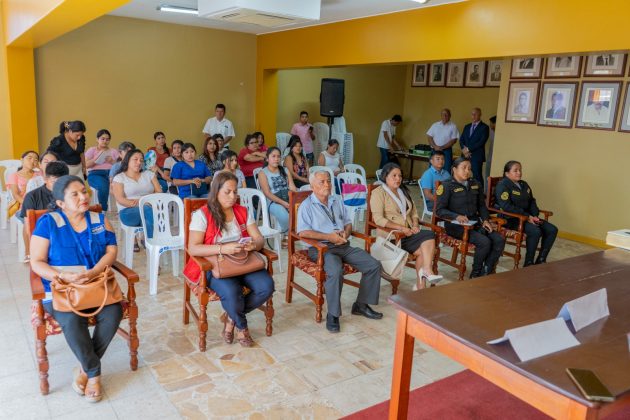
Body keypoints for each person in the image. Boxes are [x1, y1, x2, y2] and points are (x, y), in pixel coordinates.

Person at [29, 175, 121, 403]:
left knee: (113, 313)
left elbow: (111, 251)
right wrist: (62, 276)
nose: (83, 197)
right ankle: (93, 374)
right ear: (61, 203)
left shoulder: (99, 219)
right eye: (75, 194)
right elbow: (37, 262)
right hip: (61, 290)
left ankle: (83, 369)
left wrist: (93, 272)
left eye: (84, 191)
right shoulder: (48, 223)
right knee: (71, 320)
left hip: (96, 286)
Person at [184, 171, 275, 347]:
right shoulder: (202, 215)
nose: (233, 196)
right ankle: (242, 327)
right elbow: (193, 248)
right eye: (227, 192)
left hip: (243, 261)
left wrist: (253, 245)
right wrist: (223, 248)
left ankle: (231, 317)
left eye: (235, 192)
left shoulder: (242, 211)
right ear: (216, 191)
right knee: (233, 293)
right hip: (216, 265)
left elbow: (259, 239)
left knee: (266, 287)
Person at [297, 170, 383, 333]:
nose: (327, 184)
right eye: (322, 182)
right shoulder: (306, 206)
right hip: (321, 248)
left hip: (342, 245)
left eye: (329, 181)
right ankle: (333, 314)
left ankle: (361, 305)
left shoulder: (336, 200)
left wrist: (346, 233)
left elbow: (348, 223)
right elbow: (303, 232)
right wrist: (329, 237)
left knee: (373, 265)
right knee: (336, 271)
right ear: (312, 186)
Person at [371, 163, 442, 290]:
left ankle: (422, 282)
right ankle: (424, 278)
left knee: (425, 246)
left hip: (408, 234)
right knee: (428, 239)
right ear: (385, 176)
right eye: (394, 175)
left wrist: (415, 225)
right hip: (392, 237)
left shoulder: (403, 191)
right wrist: (401, 228)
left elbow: (414, 213)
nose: (398, 178)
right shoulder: (378, 193)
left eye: (400, 176)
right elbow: (378, 219)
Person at [436, 158, 505, 278]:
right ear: (454, 169)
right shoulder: (447, 185)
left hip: (475, 223)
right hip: (456, 226)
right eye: (464, 168)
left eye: (469, 168)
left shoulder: (475, 184)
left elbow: (482, 206)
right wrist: (456, 216)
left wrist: (485, 220)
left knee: (499, 239)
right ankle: (476, 273)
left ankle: (487, 270)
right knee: (484, 242)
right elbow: (439, 210)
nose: (467, 171)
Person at [495, 161, 557, 266]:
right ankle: (528, 263)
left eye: (520, 170)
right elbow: (506, 206)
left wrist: (534, 215)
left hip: (528, 217)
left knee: (552, 229)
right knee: (535, 231)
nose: (519, 173)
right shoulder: (503, 185)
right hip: (510, 219)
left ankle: (541, 259)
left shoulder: (523, 184)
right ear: (507, 173)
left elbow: (531, 200)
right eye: (515, 170)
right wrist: (527, 216)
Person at [112, 149, 161, 249]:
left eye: (141, 160)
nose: (139, 162)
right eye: (135, 159)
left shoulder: (149, 174)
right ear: (127, 160)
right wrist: (143, 202)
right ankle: (152, 244)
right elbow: (120, 199)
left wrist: (146, 203)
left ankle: (147, 241)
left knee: (149, 214)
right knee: (149, 211)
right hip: (128, 212)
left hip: (148, 209)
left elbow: (159, 193)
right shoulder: (119, 178)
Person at [258, 147, 297, 248]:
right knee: (285, 216)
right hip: (273, 201)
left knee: (302, 210)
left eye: (278, 156)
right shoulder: (263, 173)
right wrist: (283, 203)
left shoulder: (285, 170)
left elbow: (292, 187)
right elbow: (267, 193)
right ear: (267, 159)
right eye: (273, 156)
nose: (276, 159)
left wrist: (294, 200)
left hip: (287, 197)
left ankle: (290, 235)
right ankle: (287, 234)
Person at [85, 129, 119, 212]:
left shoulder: (113, 151)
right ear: (97, 139)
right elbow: (85, 165)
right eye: (102, 139)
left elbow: (120, 166)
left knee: (124, 183)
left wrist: (112, 161)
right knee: (103, 186)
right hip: (95, 174)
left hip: (111, 174)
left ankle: (124, 207)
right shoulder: (92, 150)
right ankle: (103, 209)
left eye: (107, 139)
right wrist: (96, 159)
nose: (105, 141)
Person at [459, 108, 490, 186]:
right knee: (463, 175)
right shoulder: (467, 126)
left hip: (476, 156)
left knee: (477, 176)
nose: (473, 116)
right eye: (472, 114)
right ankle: (464, 191)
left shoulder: (484, 127)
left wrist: (468, 149)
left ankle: (480, 193)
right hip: (465, 155)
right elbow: (461, 139)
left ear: (480, 115)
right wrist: (464, 150)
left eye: (475, 114)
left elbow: (481, 142)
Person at [426, 108, 459, 173]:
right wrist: (435, 146)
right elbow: (429, 137)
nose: (444, 116)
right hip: (434, 150)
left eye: (446, 114)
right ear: (441, 116)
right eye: (443, 114)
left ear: (450, 116)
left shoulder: (453, 126)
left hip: (446, 151)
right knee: (432, 169)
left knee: (446, 170)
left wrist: (442, 147)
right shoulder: (435, 125)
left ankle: (445, 180)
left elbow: (454, 140)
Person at [485, 116, 497, 181]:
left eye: (491, 123)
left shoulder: (501, 132)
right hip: (490, 157)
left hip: (497, 158)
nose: (490, 125)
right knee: (487, 176)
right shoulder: (491, 131)